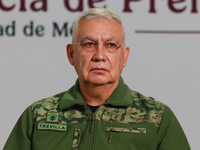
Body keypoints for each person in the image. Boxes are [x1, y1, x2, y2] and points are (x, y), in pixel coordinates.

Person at [3, 8, 190, 150]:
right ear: (71, 54)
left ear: (124, 56)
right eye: (89, 44)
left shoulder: (157, 118)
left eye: (110, 45)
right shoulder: (37, 116)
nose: (99, 56)